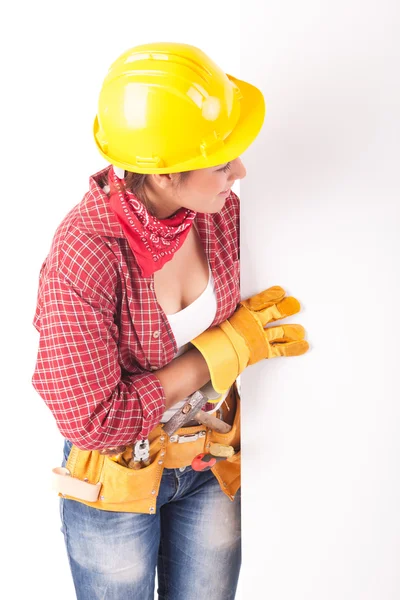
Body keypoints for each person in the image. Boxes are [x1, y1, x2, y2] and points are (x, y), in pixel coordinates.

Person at [32, 42, 308, 600]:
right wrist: (219, 353)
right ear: (161, 176)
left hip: (206, 461)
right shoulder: (84, 254)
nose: (240, 169)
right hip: (116, 481)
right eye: (221, 160)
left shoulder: (215, 207)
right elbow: (93, 420)